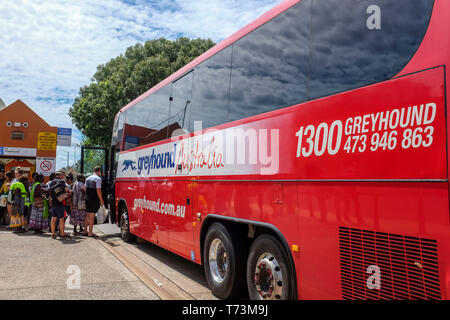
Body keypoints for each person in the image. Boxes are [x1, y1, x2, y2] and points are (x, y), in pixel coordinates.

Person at [43, 170, 71, 239]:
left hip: (53, 202)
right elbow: (65, 190)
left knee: (53, 218)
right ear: (60, 175)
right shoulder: (62, 181)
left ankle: (53, 233)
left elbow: (47, 190)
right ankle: (62, 233)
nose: (64, 176)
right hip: (61, 202)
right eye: (63, 175)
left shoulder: (51, 182)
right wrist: (69, 192)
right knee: (61, 219)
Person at [84, 166, 104, 237]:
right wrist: (101, 200)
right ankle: (90, 233)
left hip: (87, 198)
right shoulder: (98, 179)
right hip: (94, 199)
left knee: (87, 215)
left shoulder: (88, 178)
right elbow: (98, 190)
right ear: (99, 171)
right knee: (92, 216)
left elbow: (84, 188)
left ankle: (85, 231)